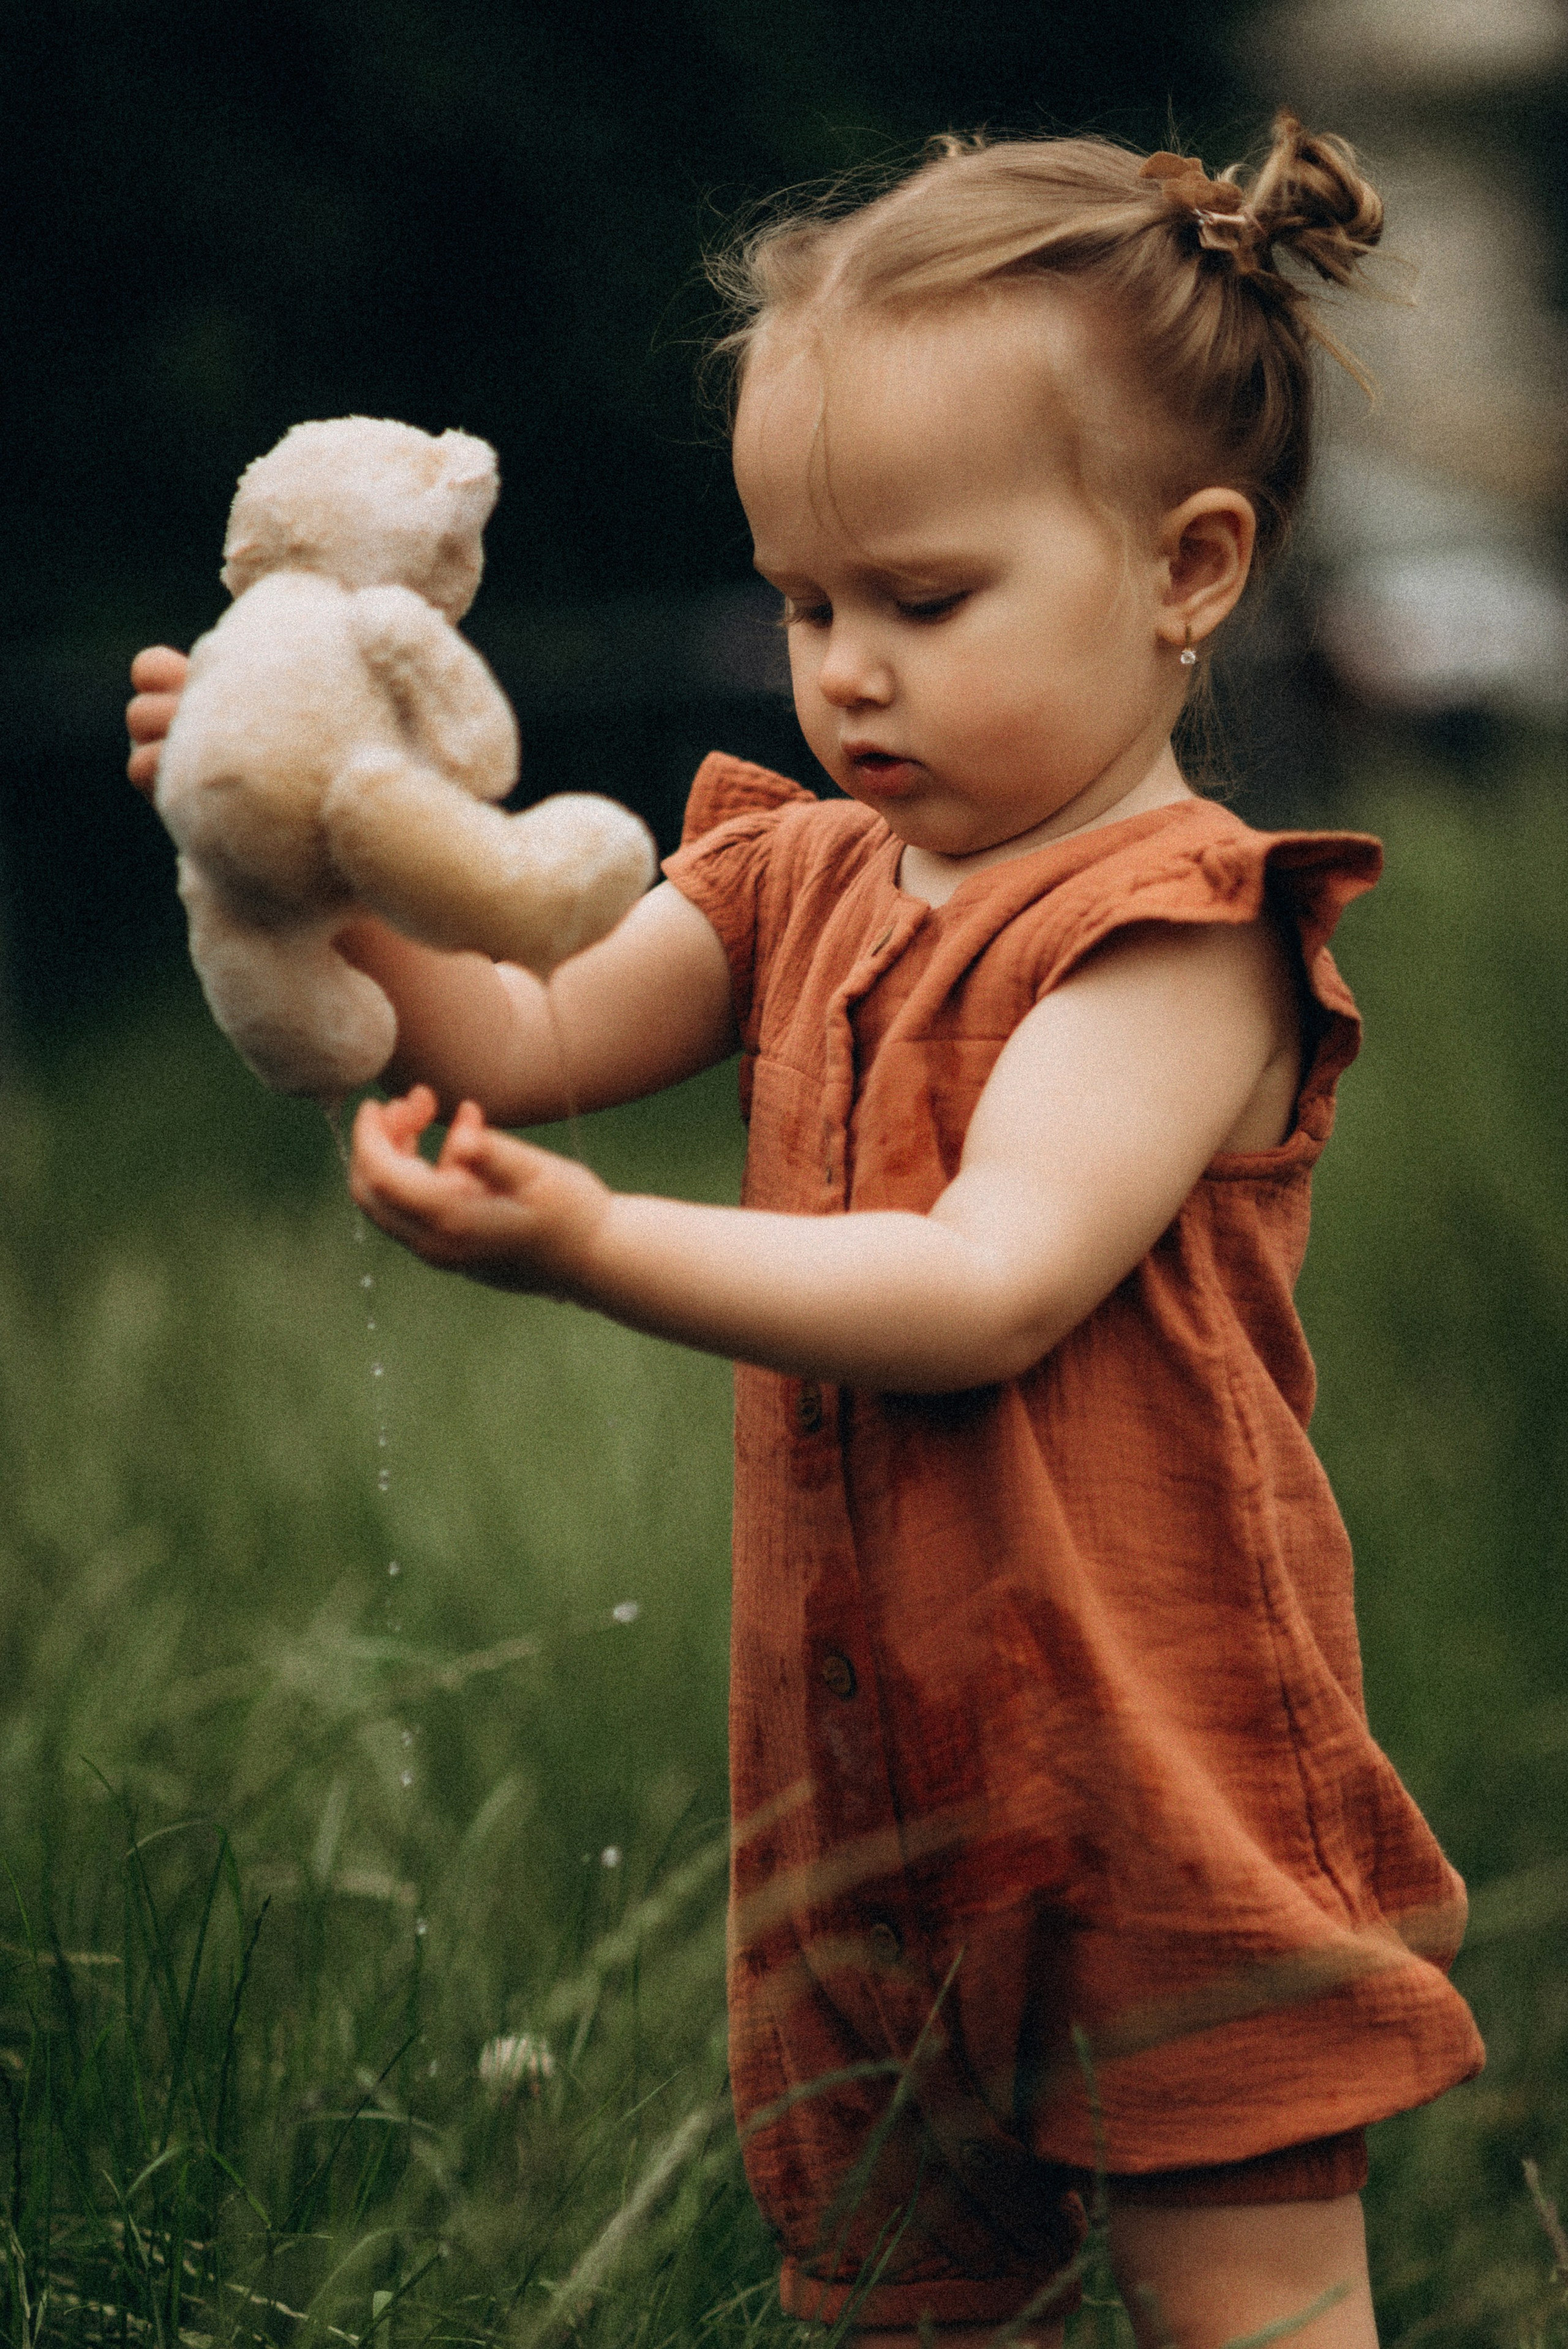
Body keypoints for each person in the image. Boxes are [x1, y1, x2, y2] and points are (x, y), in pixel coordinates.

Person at [128, 114, 1484, 2349]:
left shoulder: (1171, 940)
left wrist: (590, 1250)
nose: (842, 670)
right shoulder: (800, 873)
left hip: (1153, 1778)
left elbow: (982, 1283)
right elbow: (535, 1022)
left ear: (1191, 565)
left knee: (1250, 2313)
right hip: (865, 1804)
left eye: (922, 603)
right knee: (911, 2306)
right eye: (804, 601)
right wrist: (297, 840)